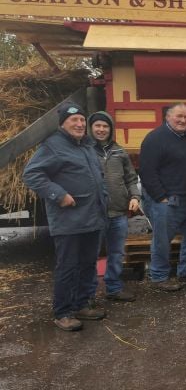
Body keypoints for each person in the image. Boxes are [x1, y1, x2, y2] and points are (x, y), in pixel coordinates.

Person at [23, 103, 108, 331]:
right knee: (68, 266)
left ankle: (81, 304)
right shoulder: (53, 145)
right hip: (69, 219)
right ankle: (63, 312)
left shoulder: (87, 145)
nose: (80, 124)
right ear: (63, 124)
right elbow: (31, 174)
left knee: (88, 264)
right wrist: (58, 195)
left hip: (92, 216)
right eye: (74, 121)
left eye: (82, 120)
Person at [139, 103, 186, 292]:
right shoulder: (154, 139)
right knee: (162, 239)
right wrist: (160, 197)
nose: (183, 120)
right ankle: (159, 276)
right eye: (179, 117)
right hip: (167, 200)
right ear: (167, 117)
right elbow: (147, 171)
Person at [87, 111, 140, 302]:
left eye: (105, 126)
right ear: (91, 128)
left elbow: (131, 178)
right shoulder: (85, 150)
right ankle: (88, 294)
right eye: (97, 126)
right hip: (94, 213)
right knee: (90, 255)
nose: (101, 129)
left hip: (118, 212)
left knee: (117, 253)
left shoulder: (119, 151)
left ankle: (114, 288)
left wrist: (134, 195)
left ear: (111, 129)